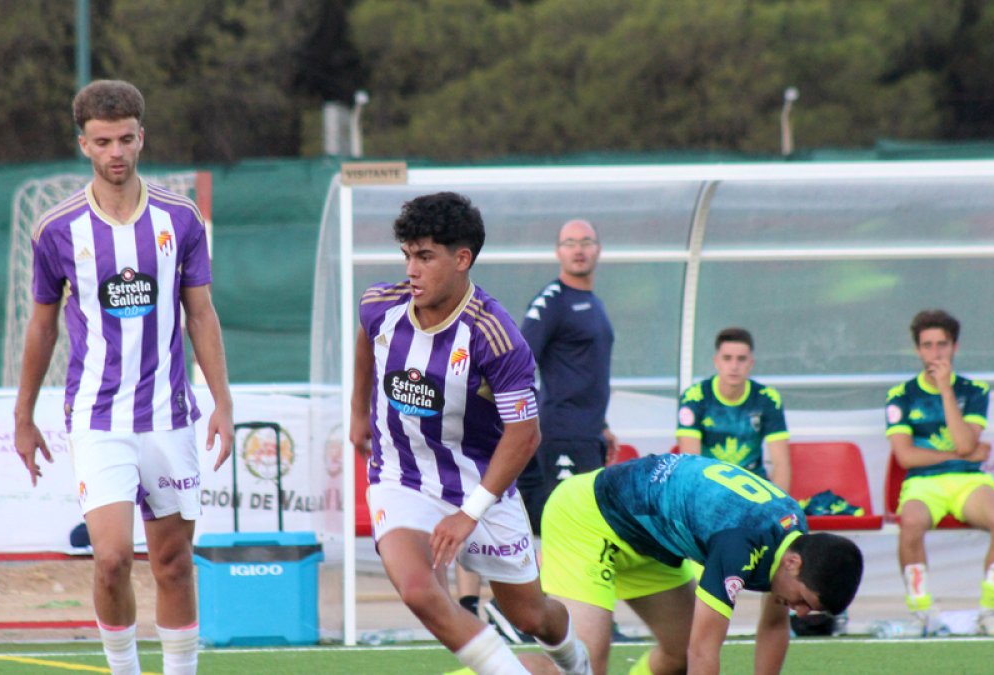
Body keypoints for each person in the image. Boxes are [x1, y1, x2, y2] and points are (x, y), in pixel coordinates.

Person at [13, 80, 234, 675]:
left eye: (126, 139)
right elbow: (42, 325)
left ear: (142, 137)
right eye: (104, 141)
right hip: (97, 417)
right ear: (83, 144)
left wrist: (222, 401)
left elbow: (201, 313)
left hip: (168, 415)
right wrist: (23, 415)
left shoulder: (179, 218)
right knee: (110, 559)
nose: (117, 152)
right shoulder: (57, 228)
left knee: (173, 563)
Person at [350, 192, 590, 675]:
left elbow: (525, 434)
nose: (411, 270)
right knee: (419, 590)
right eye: (407, 255)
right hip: (400, 478)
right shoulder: (381, 305)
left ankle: (576, 662)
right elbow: (367, 339)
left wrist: (468, 513)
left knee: (532, 617)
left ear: (462, 259)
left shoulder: (495, 336)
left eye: (425, 257)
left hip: (482, 489)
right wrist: (358, 410)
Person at [538, 453, 863, 675]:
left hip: (650, 543)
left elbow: (775, 626)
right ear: (793, 563)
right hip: (586, 520)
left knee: (678, 655)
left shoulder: (793, 537)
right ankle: (502, 662)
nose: (801, 613)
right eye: (804, 601)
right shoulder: (740, 544)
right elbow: (704, 652)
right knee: (582, 667)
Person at [472, 218, 618, 643]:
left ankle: (521, 609)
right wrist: (505, 418)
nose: (579, 249)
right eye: (570, 243)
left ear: (598, 249)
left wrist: (602, 424)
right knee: (577, 528)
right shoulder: (552, 301)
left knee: (561, 525)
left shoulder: (593, 302)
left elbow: (584, 373)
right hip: (561, 435)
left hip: (586, 434)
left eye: (586, 241)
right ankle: (573, 618)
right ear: (558, 252)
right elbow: (518, 356)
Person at [886, 309, 994, 636]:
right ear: (917, 350)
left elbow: (965, 441)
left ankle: (987, 613)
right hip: (923, 484)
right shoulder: (900, 395)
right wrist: (960, 453)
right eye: (927, 345)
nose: (935, 353)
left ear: (955, 347)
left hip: (968, 481)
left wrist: (946, 391)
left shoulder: (974, 390)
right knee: (911, 523)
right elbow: (906, 457)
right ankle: (922, 614)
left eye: (942, 345)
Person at [676, 327, 790, 491]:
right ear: (716, 361)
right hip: (709, 489)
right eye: (727, 358)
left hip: (754, 489)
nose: (734, 366)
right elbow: (690, 464)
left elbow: (781, 464)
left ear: (751, 363)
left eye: (741, 359)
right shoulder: (694, 397)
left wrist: (779, 504)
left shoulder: (768, 398)